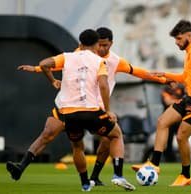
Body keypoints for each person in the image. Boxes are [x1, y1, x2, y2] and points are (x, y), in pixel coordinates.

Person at [6, 27, 167, 185]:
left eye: (105, 45)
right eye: (100, 44)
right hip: (75, 106)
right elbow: (58, 65)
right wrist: (36, 69)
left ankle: (93, 178)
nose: (102, 48)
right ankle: (21, 167)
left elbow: (138, 71)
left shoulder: (115, 61)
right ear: (95, 43)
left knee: (104, 141)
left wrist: (161, 78)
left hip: (91, 107)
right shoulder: (81, 55)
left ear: (111, 43)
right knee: (48, 135)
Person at [39, 29, 136, 191]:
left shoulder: (68, 57)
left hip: (69, 113)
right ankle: (118, 175)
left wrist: (53, 81)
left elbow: (43, 64)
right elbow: (104, 85)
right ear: (97, 44)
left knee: (77, 147)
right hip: (91, 110)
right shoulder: (99, 61)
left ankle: (85, 183)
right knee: (116, 135)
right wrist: (108, 110)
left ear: (80, 44)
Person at [131, 19, 191, 186]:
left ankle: (185, 176)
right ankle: (154, 164)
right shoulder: (189, 52)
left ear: (189, 35)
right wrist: (165, 74)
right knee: (162, 122)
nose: (177, 42)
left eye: (179, 39)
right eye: (176, 39)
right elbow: (185, 78)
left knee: (181, 136)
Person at [161, 82, 185, 162]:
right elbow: (167, 102)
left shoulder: (181, 89)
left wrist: (175, 101)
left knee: (182, 138)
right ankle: (169, 158)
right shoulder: (166, 90)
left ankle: (184, 157)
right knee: (168, 140)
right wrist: (181, 101)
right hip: (169, 120)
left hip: (180, 120)